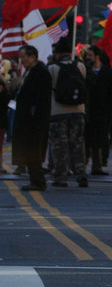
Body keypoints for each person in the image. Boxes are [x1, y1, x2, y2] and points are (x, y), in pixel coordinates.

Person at [47, 38, 88, 188]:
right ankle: (81, 172)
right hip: (78, 110)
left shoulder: (53, 68)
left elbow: (49, 87)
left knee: (59, 146)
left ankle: (61, 176)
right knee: (77, 143)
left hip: (58, 112)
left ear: (57, 53)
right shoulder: (80, 66)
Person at [12, 44, 52, 192]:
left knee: (33, 151)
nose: (22, 60)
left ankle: (38, 180)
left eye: (24, 57)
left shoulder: (40, 73)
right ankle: (34, 179)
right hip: (26, 119)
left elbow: (41, 99)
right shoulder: (29, 72)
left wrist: (36, 118)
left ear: (32, 57)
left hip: (34, 120)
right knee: (28, 151)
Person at [84, 45, 112, 175]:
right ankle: (82, 166)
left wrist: (109, 110)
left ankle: (97, 166)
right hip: (87, 110)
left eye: (90, 55)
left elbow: (111, 94)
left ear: (97, 57)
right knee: (86, 140)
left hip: (102, 112)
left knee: (98, 141)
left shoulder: (108, 72)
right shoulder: (85, 71)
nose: (87, 58)